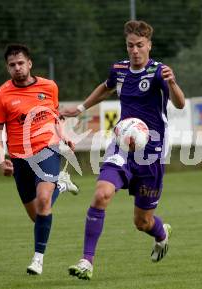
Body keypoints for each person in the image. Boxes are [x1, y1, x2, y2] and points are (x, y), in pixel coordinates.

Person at [61, 20, 185, 280]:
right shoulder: (119, 69)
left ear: (149, 45)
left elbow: (180, 104)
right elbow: (105, 88)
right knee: (101, 194)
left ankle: (161, 234)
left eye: (140, 45)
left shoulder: (159, 71)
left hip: (152, 153)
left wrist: (173, 84)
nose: (135, 50)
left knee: (142, 223)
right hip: (121, 147)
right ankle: (87, 261)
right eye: (130, 46)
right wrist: (80, 109)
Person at [0, 43, 79, 275]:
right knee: (37, 215)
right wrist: (1, 161)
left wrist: (64, 136)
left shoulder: (49, 87)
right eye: (12, 65)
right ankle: (61, 182)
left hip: (47, 149)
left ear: (29, 63)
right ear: (7, 68)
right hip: (20, 159)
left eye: (21, 63)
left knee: (43, 201)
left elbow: (56, 117)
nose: (17, 68)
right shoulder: (2, 95)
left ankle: (37, 259)